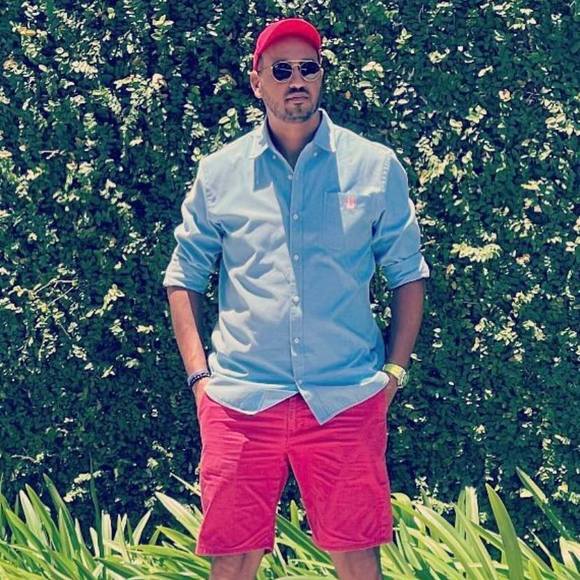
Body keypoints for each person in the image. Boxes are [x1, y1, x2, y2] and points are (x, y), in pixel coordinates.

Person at [163, 17, 430, 580]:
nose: (296, 80)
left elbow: (408, 273)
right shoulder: (220, 173)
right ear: (257, 81)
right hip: (240, 400)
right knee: (233, 559)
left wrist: (393, 374)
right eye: (281, 70)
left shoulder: (374, 167)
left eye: (308, 68)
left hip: (345, 397)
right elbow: (184, 275)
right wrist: (200, 380)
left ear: (321, 76)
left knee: (357, 557)